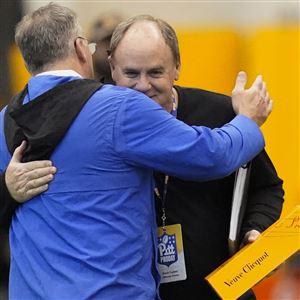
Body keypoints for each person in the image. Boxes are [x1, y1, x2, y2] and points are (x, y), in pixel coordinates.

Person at [0, 5, 273, 300]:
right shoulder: (117, 108)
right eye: (132, 73)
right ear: (82, 49)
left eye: (154, 71)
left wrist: (7, 188)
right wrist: (247, 121)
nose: (143, 85)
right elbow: (213, 156)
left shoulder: (5, 122)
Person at [87, 13, 123, 83]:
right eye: (107, 42)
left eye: (117, 42)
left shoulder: (134, 84)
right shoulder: (81, 85)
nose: (112, 48)